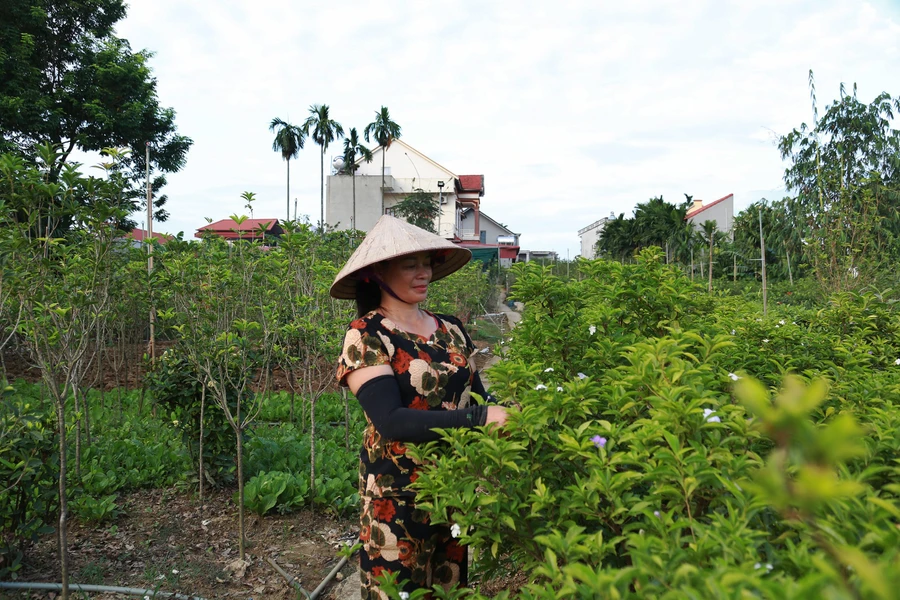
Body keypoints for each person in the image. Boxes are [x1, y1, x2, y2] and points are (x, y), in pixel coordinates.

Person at [331, 215, 508, 598]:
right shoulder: (366, 335)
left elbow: (477, 395)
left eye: (426, 263)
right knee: (398, 591)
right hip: (396, 497)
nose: (423, 272)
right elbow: (390, 421)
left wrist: (507, 413)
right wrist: (480, 420)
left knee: (447, 588)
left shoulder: (451, 328)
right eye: (410, 264)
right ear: (377, 273)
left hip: (452, 487)